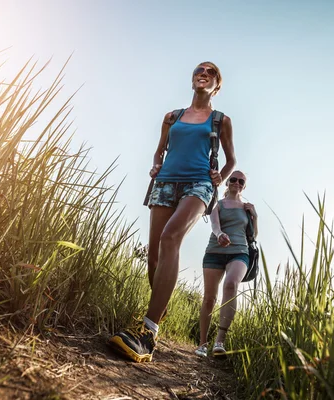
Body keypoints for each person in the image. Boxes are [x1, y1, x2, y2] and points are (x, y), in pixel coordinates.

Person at [109, 62, 237, 362]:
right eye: (198, 70)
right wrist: (155, 164)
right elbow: (160, 150)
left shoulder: (221, 120)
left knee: (170, 239)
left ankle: (147, 334)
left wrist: (222, 175)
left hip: (199, 184)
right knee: (153, 255)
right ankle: (158, 313)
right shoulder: (173, 117)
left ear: (216, 84)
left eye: (210, 72)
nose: (203, 73)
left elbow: (231, 159)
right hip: (165, 182)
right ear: (193, 79)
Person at [194, 170, 257, 358]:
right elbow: (214, 225)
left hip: (240, 252)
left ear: (244, 186)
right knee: (209, 298)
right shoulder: (217, 204)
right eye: (233, 179)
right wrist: (220, 234)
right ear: (227, 182)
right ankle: (202, 344)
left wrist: (255, 216)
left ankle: (219, 341)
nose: (236, 183)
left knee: (231, 285)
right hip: (215, 251)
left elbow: (253, 236)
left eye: (241, 181)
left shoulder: (247, 207)